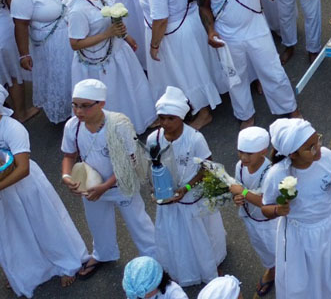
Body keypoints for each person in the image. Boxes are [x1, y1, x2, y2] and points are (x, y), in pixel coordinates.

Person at [261, 118, 331, 299]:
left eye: (318, 140)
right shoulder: (277, 174)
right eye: (310, 148)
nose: (318, 148)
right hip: (301, 236)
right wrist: (277, 210)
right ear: (292, 154)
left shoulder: (327, 157)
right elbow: (265, 207)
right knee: (310, 276)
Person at [195, 0, 298, 128]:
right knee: (235, 78)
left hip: (255, 27)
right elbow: (203, 5)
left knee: (273, 71)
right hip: (227, 34)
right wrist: (210, 30)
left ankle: (289, 108)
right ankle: (245, 115)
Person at [61, 79, 156, 278]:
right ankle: (103, 254)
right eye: (75, 105)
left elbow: (132, 161)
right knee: (97, 224)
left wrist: (105, 186)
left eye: (85, 106)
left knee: (138, 223)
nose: (79, 111)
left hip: (120, 185)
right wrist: (66, 176)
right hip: (91, 186)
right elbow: (69, 155)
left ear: (101, 104)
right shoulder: (72, 126)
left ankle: (155, 260)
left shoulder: (119, 124)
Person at [0, 86, 89, 296]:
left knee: (45, 224)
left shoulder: (12, 128)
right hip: (4, 193)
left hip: (24, 187)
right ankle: (25, 271)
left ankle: (67, 263)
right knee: (14, 232)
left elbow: (23, 168)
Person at [64, 0, 156, 133]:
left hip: (117, 51)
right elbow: (75, 43)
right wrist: (108, 34)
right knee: (112, 93)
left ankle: (139, 120)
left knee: (130, 87)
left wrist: (126, 36)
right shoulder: (78, 10)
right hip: (97, 61)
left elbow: (113, 15)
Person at [140, 0, 221, 130]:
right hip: (192, 24)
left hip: (174, 35)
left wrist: (154, 45)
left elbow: (160, 20)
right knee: (195, 66)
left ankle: (203, 112)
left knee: (185, 72)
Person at [148, 87, 227, 287]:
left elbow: (207, 168)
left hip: (193, 198)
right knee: (175, 235)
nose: (165, 123)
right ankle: (182, 268)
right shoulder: (153, 139)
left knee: (202, 233)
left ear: (181, 117)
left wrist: (186, 189)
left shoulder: (194, 138)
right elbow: (152, 166)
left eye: (170, 118)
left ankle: (211, 265)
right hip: (168, 199)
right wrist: (155, 188)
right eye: (161, 118)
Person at [227, 127, 278, 297]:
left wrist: (242, 193)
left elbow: (265, 202)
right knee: (261, 247)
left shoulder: (270, 172)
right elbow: (238, 189)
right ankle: (271, 269)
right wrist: (237, 198)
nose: (243, 157)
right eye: (240, 152)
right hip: (250, 218)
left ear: (263, 151)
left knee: (276, 248)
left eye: (249, 153)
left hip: (269, 223)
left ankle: (285, 274)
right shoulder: (240, 166)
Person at [121, 256, 189, 299]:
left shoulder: (172, 290)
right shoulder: (135, 293)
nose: (144, 297)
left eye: (147, 292)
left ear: (158, 282)